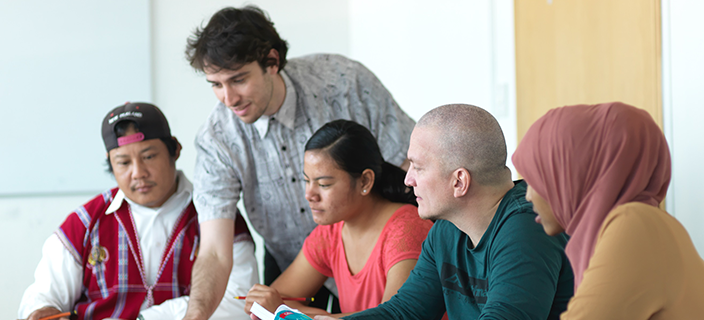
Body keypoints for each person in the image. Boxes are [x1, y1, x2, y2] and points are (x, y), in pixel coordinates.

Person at [182, 5, 416, 319]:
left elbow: (409, 163)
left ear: (272, 61)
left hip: (381, 248)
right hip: (297, 260)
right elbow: (214, 251)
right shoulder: (217, 138)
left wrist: (408, 234)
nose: (228, 98)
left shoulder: (344, 82)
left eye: (238, 80)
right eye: (215, 84)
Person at [319, 104, 574, 320]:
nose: (408, 180)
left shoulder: (528, 227)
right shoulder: (447, 227)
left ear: (459, 182)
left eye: (417, 168)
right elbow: (405, 312)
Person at [18, 103, 258, 320]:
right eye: (123, 162)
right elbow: (42, 295)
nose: (138, 172)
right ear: (110, 163)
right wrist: (40, 312)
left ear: (175, 149)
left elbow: (239, 302)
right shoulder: (85, 222)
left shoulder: (217, 217)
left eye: (149, 156)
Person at [511, 102, 704, 319]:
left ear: (572, 176)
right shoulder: (644, 227)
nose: (528, 195)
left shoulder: (635, 225)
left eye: (535, 179)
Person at [243, 120, 432, 318]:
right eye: (306, 181)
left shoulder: (407, 230)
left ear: (365, 181)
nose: (309, 194)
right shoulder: (330, 233)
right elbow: (278, 300)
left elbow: (393, 317)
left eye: (323, 184)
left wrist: (291, 314)